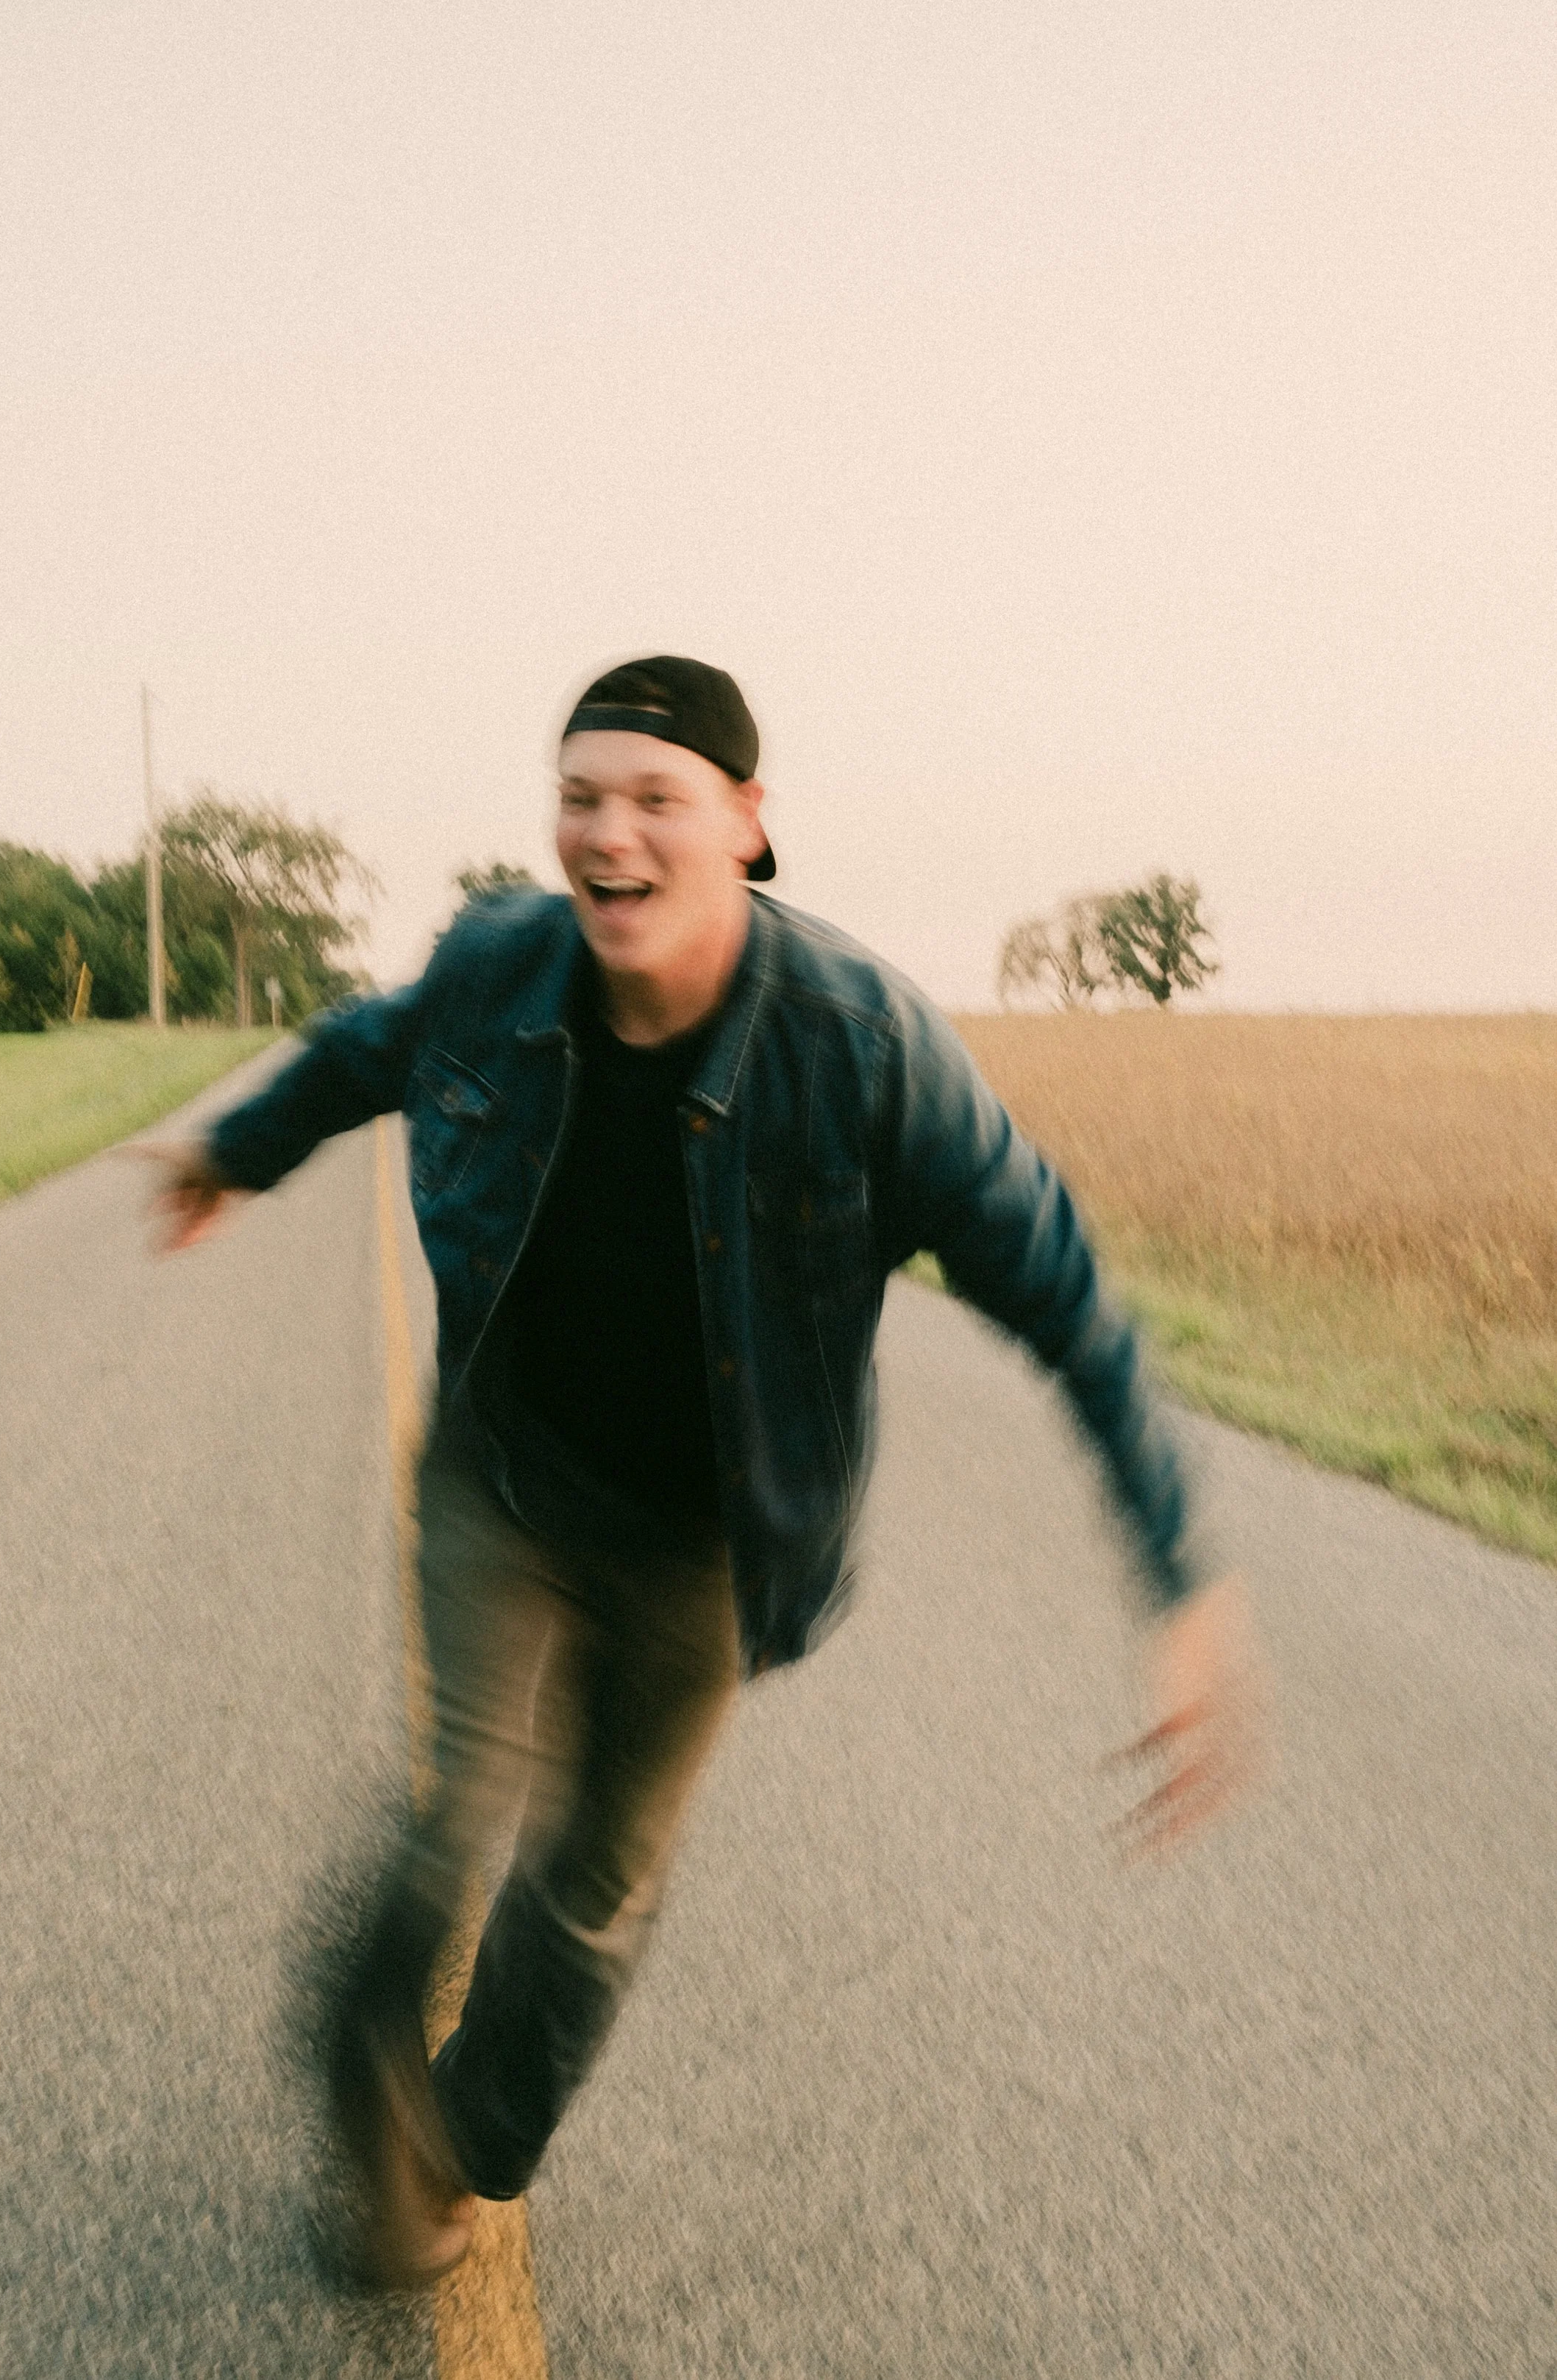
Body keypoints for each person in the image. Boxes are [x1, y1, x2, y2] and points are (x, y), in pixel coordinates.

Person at [143, 654, 1261, 2287]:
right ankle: (365, 2012)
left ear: (745, 823)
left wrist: (1177, 1579)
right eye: (580, 797)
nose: (609, 834)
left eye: (653, 798)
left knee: (594, 1889)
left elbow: (1065, 1297)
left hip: (702, 1551)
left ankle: (452, 2152)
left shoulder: (862, 1045)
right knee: (457, 1806)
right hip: (504, 1481)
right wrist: (227, 1154)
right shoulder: (497, 964)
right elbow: (362, 1049)